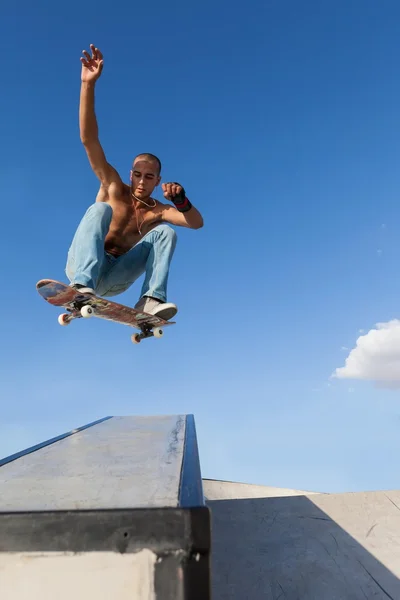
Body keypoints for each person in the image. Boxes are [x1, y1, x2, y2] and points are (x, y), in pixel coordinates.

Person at [65, 44, 204, 321]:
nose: (142, 182)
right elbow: (88, 139)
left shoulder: (158, 210)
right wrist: (87, 85)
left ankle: (151, 300)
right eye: (138, 174)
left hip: (117, 278)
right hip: (83, 266)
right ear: (131, 174)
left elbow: (195, 223)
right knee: (101, 210)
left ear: (158, 180)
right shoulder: (114, 187)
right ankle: (81, 286)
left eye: (149, 177)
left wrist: (181, 201)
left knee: (166, 232)